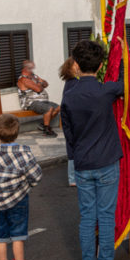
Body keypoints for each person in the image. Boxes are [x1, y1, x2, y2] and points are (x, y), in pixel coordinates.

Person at [61, 40, 126, 260]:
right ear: (100, 66)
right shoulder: (106, 90)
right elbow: (124, 83)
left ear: (75, 65)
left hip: (83, 162)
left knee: (87, 217)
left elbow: (67, 131)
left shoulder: (69, 91)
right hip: (107, 161)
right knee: (106, 217)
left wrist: (74, 157)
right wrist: (120, 58)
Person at [0, 113, 42, 260]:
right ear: (17, 133)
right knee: (18, 234)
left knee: (0, 234)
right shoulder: (23, 153)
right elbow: (36, 175)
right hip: (18, 198)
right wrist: (30, 184)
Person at [17, 60, 61, 137]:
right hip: (31, 103)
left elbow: (46, 84)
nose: (32, 70)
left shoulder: (34, 76)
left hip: (42, 101)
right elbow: (38, 89)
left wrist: (39, 83)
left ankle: (43, 125)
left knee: (58, 107)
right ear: (25, 69)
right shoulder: (23, 79)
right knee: (49, 108)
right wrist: (40, 83)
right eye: (30, 68)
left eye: (32, 68)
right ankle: (47, 130)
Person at [59, 57, 79, 187]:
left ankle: (73, 177)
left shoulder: (70, 82)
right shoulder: (73, 82)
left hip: (69, 118)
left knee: (72, 146)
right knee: (72, 146)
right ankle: (73, 177)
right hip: (72, 118)